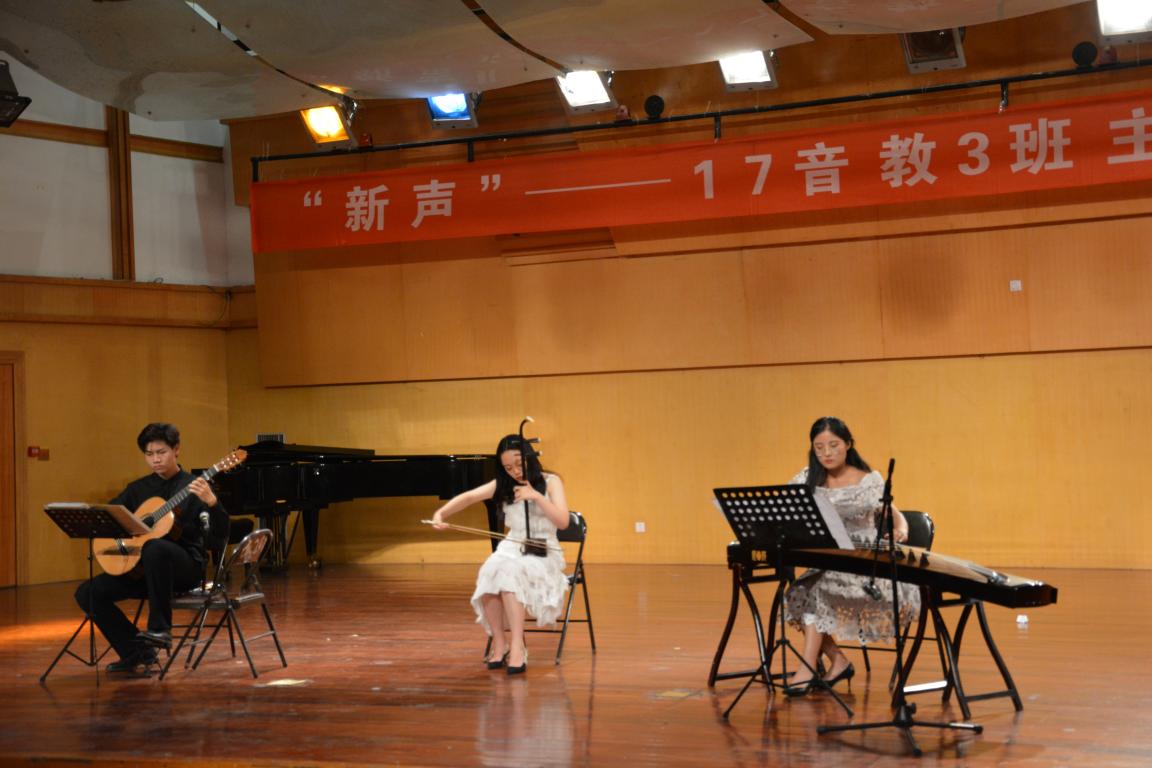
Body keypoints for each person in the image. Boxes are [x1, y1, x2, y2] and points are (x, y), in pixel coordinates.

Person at [74, 422, 227, 675]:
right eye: (149, 454)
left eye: (161, 452)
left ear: (176, 449)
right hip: (144, 571)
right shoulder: (138, 489)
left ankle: (160, 629)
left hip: (185, 568)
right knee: (88, 592)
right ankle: (136, 651)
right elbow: (111, 516)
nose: (155, 459)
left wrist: (213, 503)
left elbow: (220, 536)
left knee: (156, 547)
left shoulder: (195, 486)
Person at [782, 416, 920, 696]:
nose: (827, 453)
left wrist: (901, 531)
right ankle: (838, 661)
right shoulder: (808, 478)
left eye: (833, 445)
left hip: (864, 568)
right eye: (819, 447)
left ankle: (806, 669)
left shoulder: (867, 480)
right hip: (828, 565)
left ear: (848, 444)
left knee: (814, 595)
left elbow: (896, 516)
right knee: (797, 593)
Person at [431, 434, 570, 675]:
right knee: (490, 570)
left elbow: (563, 522)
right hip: (512, 545)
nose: (514, 471)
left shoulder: (551, 482)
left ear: (529, 457)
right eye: (507, 467)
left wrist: (536, 496)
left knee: (508, 572)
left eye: (518, 464)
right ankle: (500, 641)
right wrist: (441, 514)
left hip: (542, 548)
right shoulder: (504, 484)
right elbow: (470, 496)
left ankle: (518, 645)